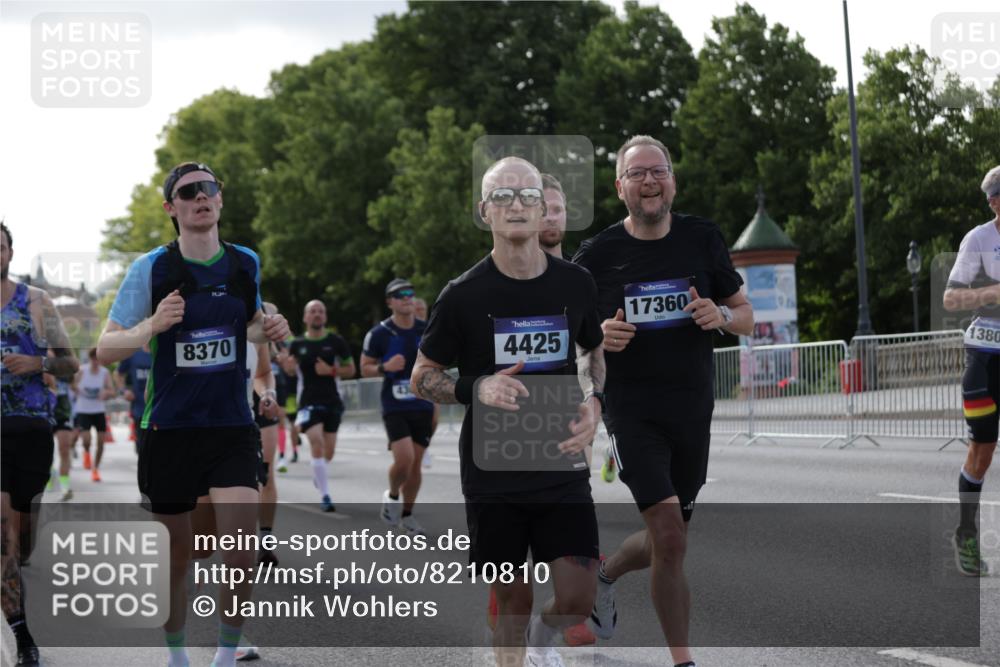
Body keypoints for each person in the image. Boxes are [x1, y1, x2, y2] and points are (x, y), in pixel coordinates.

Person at [412, 157, 606, 667]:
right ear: (484, 212)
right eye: (503, 196)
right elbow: (422, 377)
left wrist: (594, 402)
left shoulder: (576, 284)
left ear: (544, 209)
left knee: (577, 599)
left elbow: (593, 351)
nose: (516, 204)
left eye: (527, 195)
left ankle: (543, 640)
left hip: (561, 460)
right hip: (494, 470)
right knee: (512, 603)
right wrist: (477, 387)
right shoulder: (461, 296)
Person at [96, 162, 290, 667]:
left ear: (220, 201)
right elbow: (104, 349)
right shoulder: (151, 269)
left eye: (209, 189)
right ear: (172, 208)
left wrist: (267, 327)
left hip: (231, 425)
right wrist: (151, 327)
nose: (201, 197)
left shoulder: (245, 262)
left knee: (241, 548)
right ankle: (177, 654)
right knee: (176, 557)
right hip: (170, 429)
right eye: (188, 192)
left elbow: (244, 328)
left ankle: (224, 655)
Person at [573, 136, 753, 667]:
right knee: (671, 537)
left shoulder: (702, 238)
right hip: (633, 412)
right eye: (637, 174)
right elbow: (571, 334)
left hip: (692, 409)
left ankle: (604, 575)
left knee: (667, 541)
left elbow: (744, 313)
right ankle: (683, 661)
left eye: (659, 172)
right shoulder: (598, 254)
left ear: (672, 181)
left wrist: (720, 317)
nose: (649, 182)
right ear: (619, 187)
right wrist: (600, 333)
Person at [2, 221, 80, 667]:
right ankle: (23, 637)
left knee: (23, 530)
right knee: (2, 542)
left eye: (0, 247)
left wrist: (36, 362)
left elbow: (69, 363)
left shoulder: (36, 301)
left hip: (30, 427)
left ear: (10, 252)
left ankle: (26, 541)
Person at [941, 164, 1000, 576]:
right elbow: (949, 299)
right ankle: (966, 534)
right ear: (995, 201)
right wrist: (992, 292)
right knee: (982, 451)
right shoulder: (978, 239)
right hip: (984, 356)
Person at [362, 278, 436, 536]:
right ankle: (392, 495)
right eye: (400, 294)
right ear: (389, 302)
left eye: (410, 293)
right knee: (404, 459)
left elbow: (438, 363)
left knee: (415, 465)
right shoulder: (379, 333)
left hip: (422, 403)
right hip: (394, 405)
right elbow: (364, 367)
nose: (407, 297)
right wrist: (385, 367)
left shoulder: (426, 329)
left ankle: (407, 515)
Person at [280, 300, 355, 511]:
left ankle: (319, 474)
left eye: (321, 311)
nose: (317, 314)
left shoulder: (336, 341)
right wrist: (288, 367)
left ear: (325, 316)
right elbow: (291, 371)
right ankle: (325, 495)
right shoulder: (297, 344)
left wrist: (331, 371)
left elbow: (350, 369)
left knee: (328, 452)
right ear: (305, 317)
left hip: (333, 401)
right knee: (316, 442)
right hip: (308, 402)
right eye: (312, 311)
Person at [73, 348, 115, 482]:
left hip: (98, 410)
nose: (96, 362)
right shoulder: (82, 371)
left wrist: (106, 393)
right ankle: (86, 453)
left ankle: (95, 469)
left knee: (101, 442)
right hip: (83, 410)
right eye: (94, 359)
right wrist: (76, 390)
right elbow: (71, 384)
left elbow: (112, 391)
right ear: (90, 359)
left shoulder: (105, 373)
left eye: (98, 359)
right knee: (86, 440)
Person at [116, 343, 152, 453]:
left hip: (160, 406)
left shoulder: (164, 350)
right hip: (140, 407)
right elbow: (118, 374)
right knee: (142, 446)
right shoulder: (133, 354)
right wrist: (124, 391)